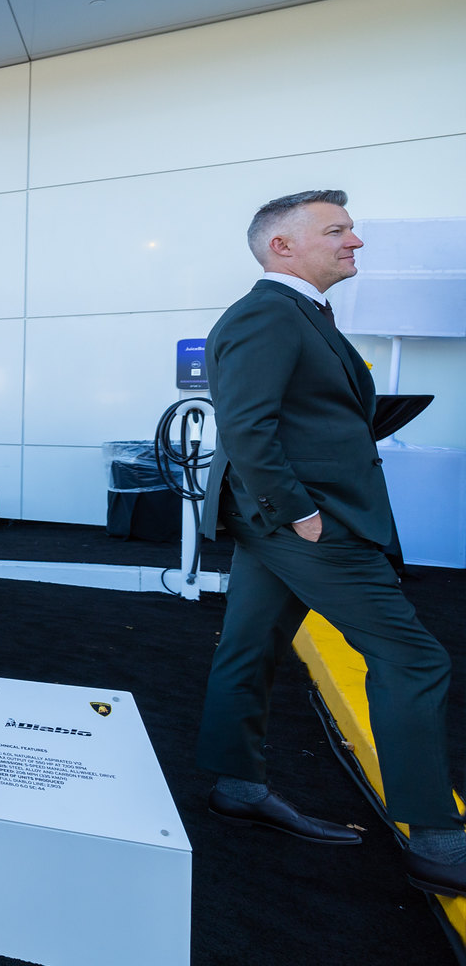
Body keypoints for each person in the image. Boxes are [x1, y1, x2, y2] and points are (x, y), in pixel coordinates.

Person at [197, 189, 463, 895]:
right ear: (282, 246)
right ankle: (438, 841)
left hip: (284, 519)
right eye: (337, 230)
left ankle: (237, 787)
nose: (356, 241)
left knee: (250, 646)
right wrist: (300, 513)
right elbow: (246, 426)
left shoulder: (303, 314)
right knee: (415, 659)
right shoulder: (266, 314)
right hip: (305, 523)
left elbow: (303, 415)